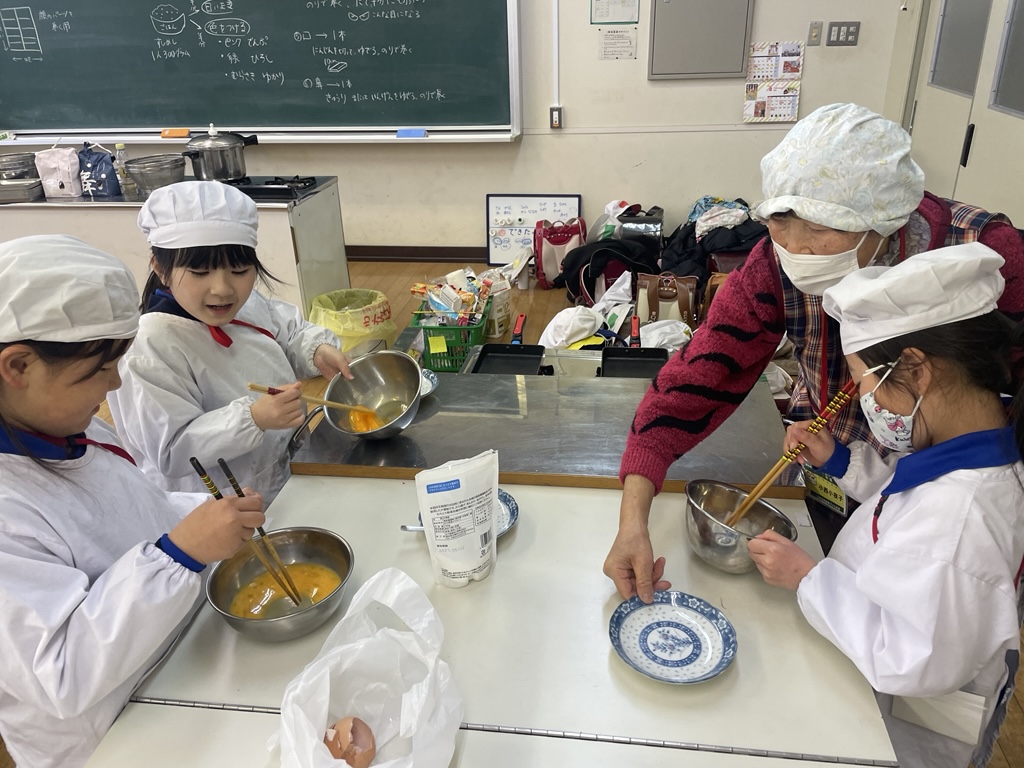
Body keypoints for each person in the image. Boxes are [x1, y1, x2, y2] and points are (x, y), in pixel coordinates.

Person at [604, 102, 1024, 603]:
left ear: (884, 222)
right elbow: (697, 380)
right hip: (835, 462)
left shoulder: (988, 257)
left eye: (822, 231)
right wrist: (633, 520)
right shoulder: (771, 265)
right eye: (781, 223)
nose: (796, 251)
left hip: (952, 499)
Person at [747, 243, 1024, 768]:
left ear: (917, 369)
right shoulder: (967, 456)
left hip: (908, 731)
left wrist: (809, 577)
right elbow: (901, 503)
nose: (867, 402)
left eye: (868, 383)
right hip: (877, 688)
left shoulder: (964, 518)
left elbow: (909, 656)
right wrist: (838, 461)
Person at [0, 235, 265, 768]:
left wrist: (203, 518)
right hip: (110, 737)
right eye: (97, 370)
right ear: (18, 366)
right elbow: (61, 673)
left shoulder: (65, 429)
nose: (116, 381)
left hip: (172, 666)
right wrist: (178, 555)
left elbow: (132, 510)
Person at [107, 181, 351, 505]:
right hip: (220, 501)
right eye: (199, 272)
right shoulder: (150, 348)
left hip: (282, 469)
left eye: (239, 270)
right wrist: (253, 419)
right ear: (160, 270)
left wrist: (316, 350)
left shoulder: (243, 304)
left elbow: (288, 331)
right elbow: (171, 450)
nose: (222, 289)